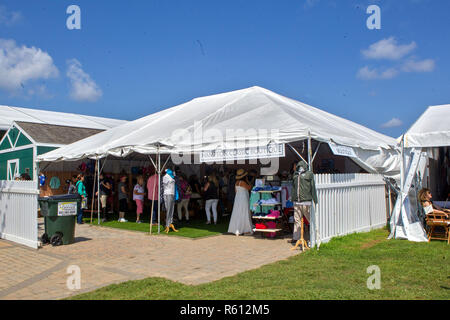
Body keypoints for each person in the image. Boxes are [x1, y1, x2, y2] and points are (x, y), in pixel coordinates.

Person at [291, 160, 318, 246]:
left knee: (310, 219)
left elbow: (312, 187)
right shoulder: (295, 175)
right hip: (297, 201)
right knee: (297, 220)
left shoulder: (309, 174)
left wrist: (315, 199)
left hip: (306, 201)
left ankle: (312, 237)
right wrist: (293, 198)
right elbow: (293, 187)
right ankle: (296, 237)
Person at [228, 169, 253, 236]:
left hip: (238, 199)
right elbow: (249, 188)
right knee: (244, 212)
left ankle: (238, 228)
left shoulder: (236, 182)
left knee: (238, 212)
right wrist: (248, 181)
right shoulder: (243, 182)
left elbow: (236, 191)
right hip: (243, 199)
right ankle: (245, 229)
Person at [163, 168, 179, 233]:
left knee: (171, 210)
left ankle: (170, 223)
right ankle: (167, 224)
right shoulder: (165, 177)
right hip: (168, 194)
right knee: (169, 210)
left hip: (172, 194)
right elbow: (165, 185)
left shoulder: (172, 176)